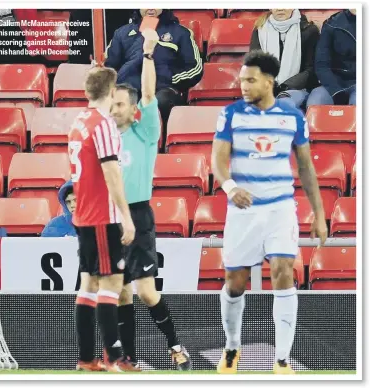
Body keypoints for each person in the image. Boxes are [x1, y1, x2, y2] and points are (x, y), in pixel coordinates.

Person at [211, 50, 327, 374]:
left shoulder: (293, 118)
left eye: (250, 80)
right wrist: (231, 188)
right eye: (241, 79)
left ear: (268, 81)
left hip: (279, 208)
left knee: (283, 271)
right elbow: (217, 161)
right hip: (242, 211)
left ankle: (282, 360)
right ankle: (232, 347)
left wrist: (319, 216)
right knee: (235, 282)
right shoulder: (230, 115)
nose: (243, 85)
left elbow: (306, 168)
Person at [109, 28, 191, 371]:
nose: (114, 110)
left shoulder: (145, 132)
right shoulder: (105, 138)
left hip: (138, 216)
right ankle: (128, 359)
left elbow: (146, 89)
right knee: (121, 293)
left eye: (119, 104)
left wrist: (146, 53)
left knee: (145, 291)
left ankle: (175, 345)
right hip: (109, 218)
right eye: (111, 104)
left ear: (134, 109)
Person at [68, 66, 136, 372]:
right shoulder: (103, 124)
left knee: (88, 283)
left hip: (83, 215)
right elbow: (111, 172)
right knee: (112, 283)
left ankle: (86, 359)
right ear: (111, 93)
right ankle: (113, 358)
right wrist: (126, 216)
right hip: (101, 215)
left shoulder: (78, 122)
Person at [104, 9, 203, 128]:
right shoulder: (121, 33)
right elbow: (108, 67)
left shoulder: (181, 32)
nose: (151, 7)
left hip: (163, 90)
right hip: (128, 89)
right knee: (117, 102)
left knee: (159, 101)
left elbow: (195, 68)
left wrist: (169, 79)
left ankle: (160, 144)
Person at [250, 9, 319, 110]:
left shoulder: (309, 30)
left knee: (282, 104)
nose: (280, 8)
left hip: (299, 88)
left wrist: (285, 86)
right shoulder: (259, 29)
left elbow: (311, 70)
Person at [307, 9, 356, 107]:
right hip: (333, 82)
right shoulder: (332, 24)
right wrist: (336, 91)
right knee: (315, 102)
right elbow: (321, 65)